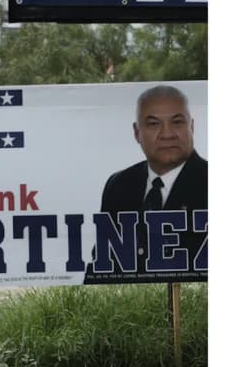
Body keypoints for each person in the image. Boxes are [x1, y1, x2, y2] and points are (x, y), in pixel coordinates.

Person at [86, 84, 207, 282]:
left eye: (177, 122)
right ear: (136, 132)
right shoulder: (119, 185)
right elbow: (102, 267)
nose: (167, 134)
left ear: (191, 127)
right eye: (153, 124)